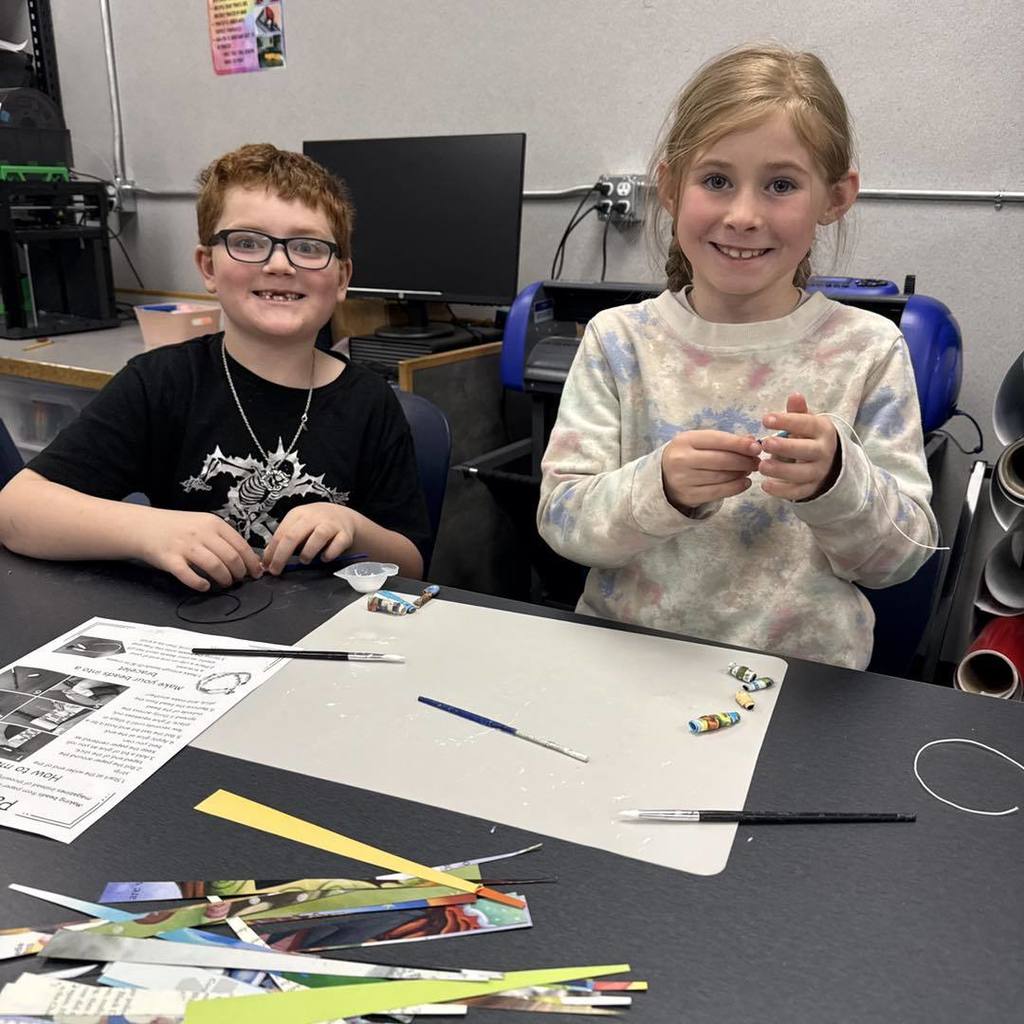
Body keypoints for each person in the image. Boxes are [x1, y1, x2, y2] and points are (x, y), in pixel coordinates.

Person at [536, 44, 938, 670]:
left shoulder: (867, 349)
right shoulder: (618, 340)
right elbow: (563, 521)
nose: (744, 216)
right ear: (670, 186)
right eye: (717, 180)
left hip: (801, 683)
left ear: (835, 197)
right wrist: (659, 485)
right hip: (631, 664)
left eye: (780, 185)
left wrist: (838, 482)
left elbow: (903, 557)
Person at [0, 143, 429, 591]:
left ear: (341, 278)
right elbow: (16, 510)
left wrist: (355, 528)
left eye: (307, 246)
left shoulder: (370, 403)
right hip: (193, 631)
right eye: (247, 242)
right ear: (208, 265)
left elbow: (412, 566)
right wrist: (148, 531)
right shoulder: (161, 383)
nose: (279, 264)